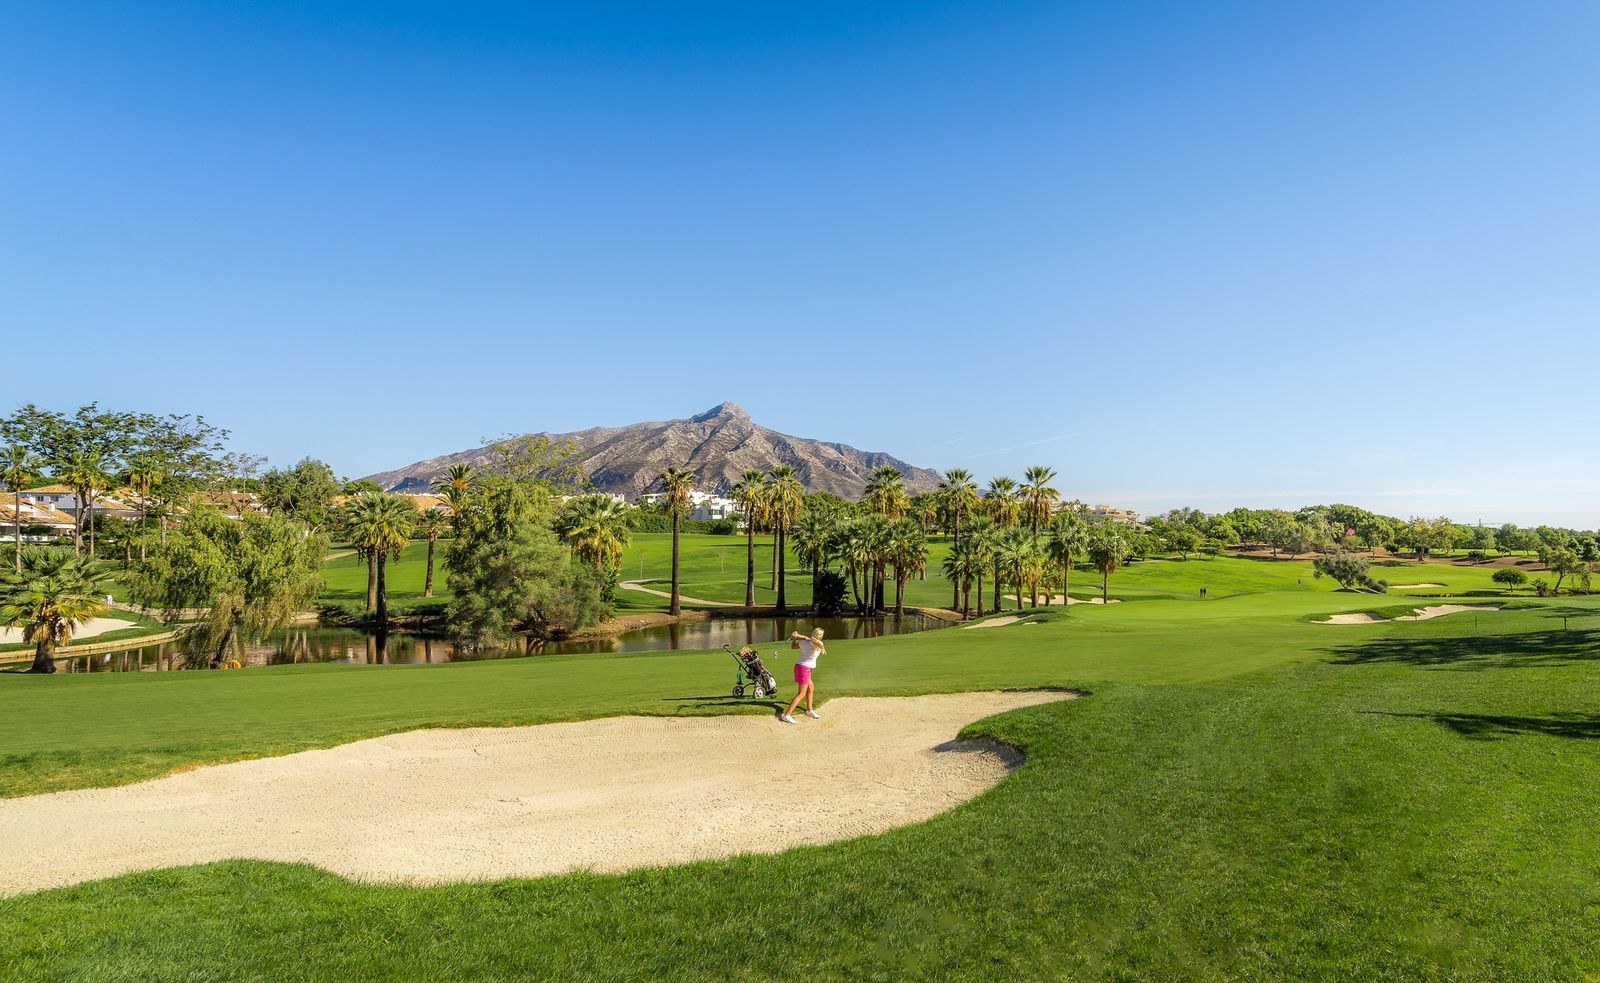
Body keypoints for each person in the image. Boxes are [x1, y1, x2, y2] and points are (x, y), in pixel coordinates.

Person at [779, 628, 825, 724]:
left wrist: (795, 638)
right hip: (804, 669)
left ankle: (809, 710)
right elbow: (808, 639)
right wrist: (799, 636)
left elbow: (794, 646)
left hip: (801, 667)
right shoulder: (819, 644)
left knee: (811, 687)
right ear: (819, 636)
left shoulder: (806, 643)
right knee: (801, 693)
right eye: (821, 636)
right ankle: (787, 715)